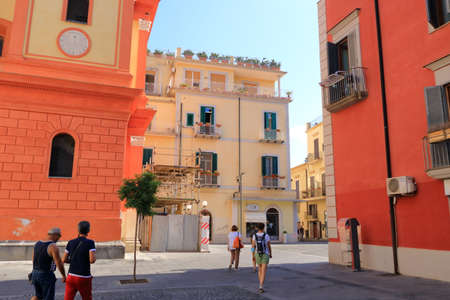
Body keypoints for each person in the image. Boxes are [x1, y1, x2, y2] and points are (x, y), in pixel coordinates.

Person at [63, 221, 96, 300]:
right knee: (87, 297)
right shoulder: (90, 242)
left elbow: (63, 259)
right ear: (88, 230)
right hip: (84, 276)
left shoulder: (70, 242)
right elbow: (92, 260)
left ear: (78, 230)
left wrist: (73, 260)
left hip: (71, 276)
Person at [31, 227, 66, 300]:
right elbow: (59, 263)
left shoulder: (37, 243)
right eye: (59, 236)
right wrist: (63, 275)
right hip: (46, 275)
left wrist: (34, 272)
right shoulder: (53, 247)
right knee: (48, 297)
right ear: (55, 235)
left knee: (38, 296)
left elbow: (33, 259)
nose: (59, 238)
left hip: (35, 273)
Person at [252, 223, 272, 293]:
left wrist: (253, 255)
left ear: (257, 228)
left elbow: (253, 246)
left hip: (257, 254)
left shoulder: (254, 236)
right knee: (263, 271)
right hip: (265, 254)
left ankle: (260, 284)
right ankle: (261, 286)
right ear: (263, 228)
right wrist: (270, 253)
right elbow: (269, 246)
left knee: (259, 270)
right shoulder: (266, 235)